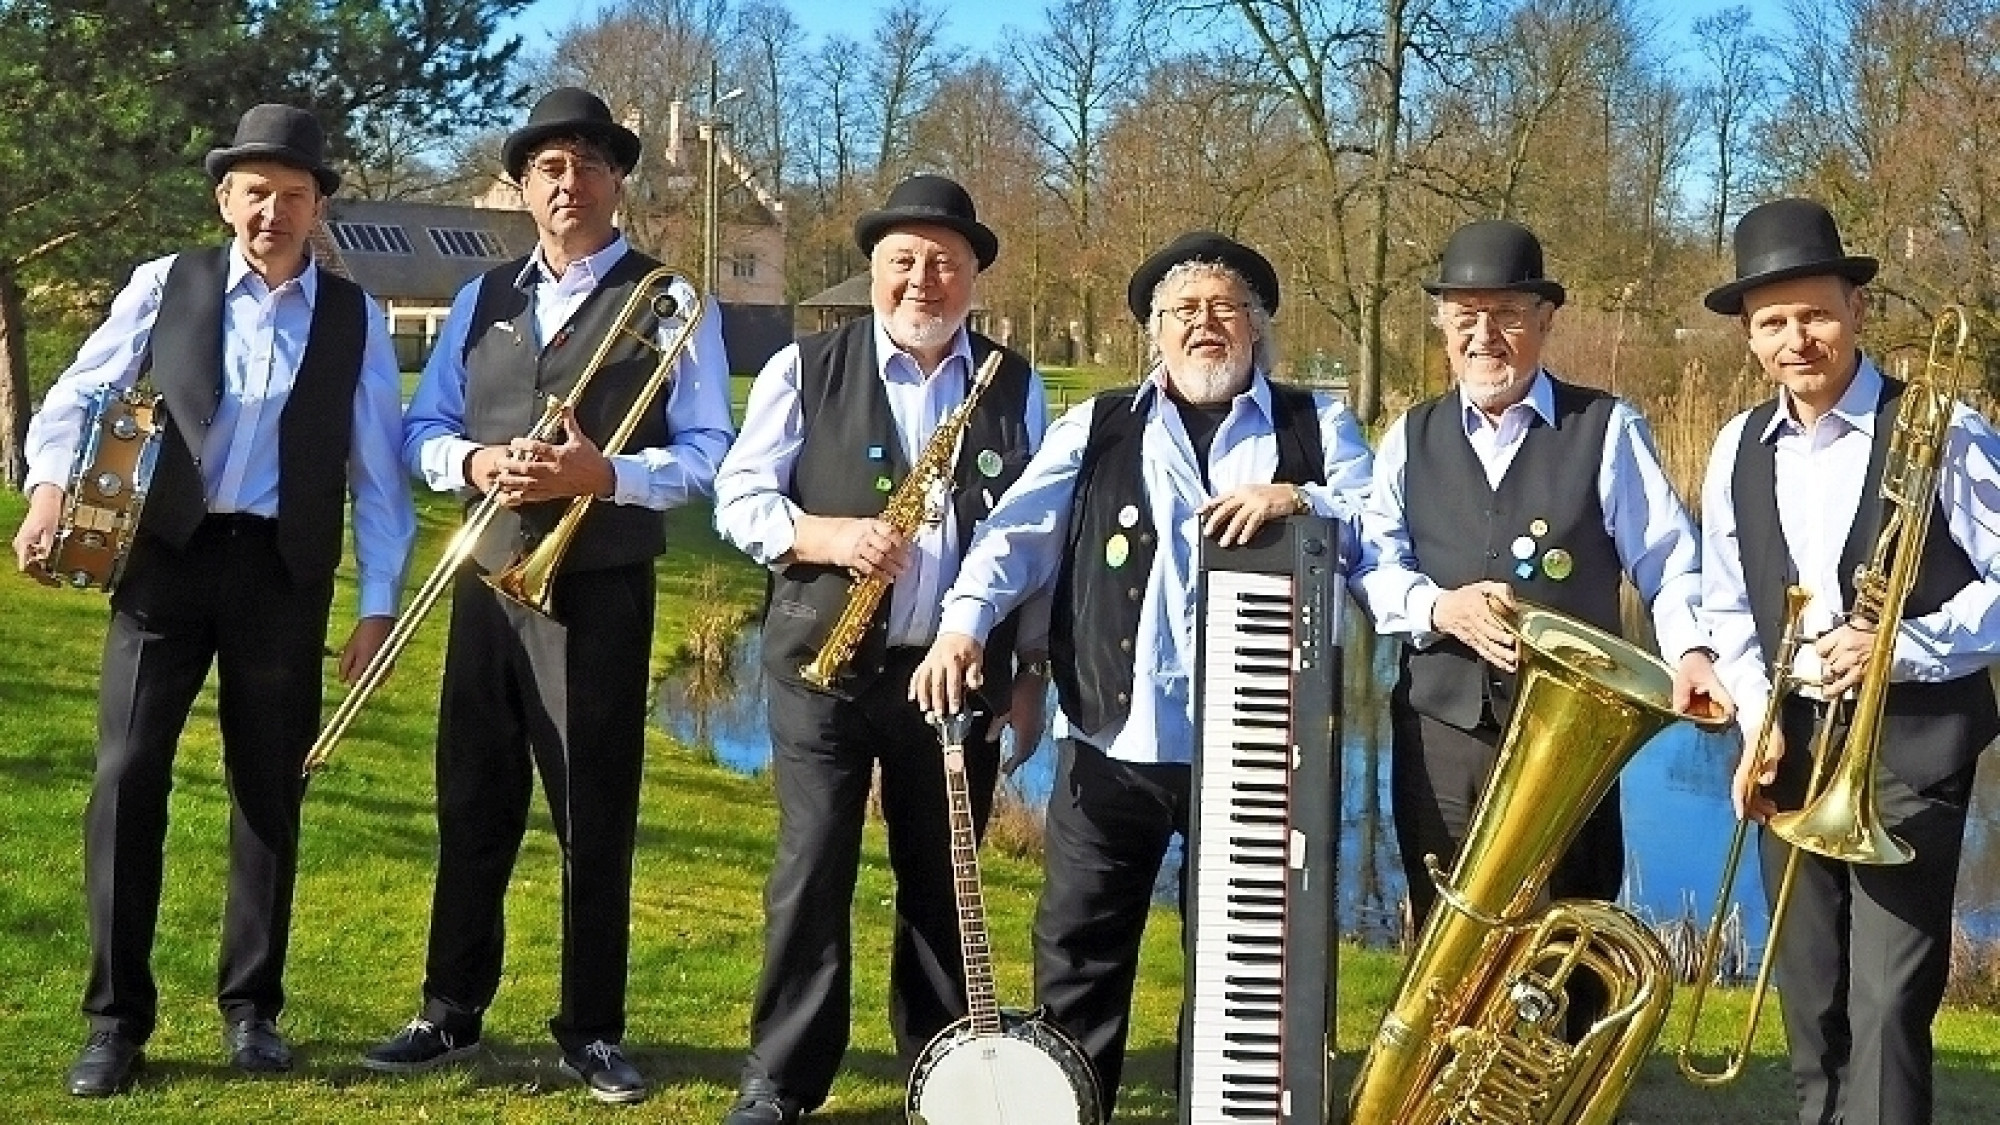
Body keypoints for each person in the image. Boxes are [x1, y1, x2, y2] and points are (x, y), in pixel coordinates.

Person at [909, 231, 1374, 1115]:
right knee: (1078, 955)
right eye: (1183, 311)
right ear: (1153, 334)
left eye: (1225, 308)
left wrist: (1303, 500)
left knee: (1249, 973)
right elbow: (1014, 535)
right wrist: (963, 625)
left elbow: (1380, 532)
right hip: (1113, 741)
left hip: (1263, 759)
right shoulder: (1098, 424)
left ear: (1258, 328)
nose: (1205, 324)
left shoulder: (1318, 426)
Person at [9, 103, 416, 1097]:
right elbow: (75, 392)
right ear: (224, 198)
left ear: (319, 205)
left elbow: (378, 470)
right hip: (165, 563)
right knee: (126, 778)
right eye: (253, 192)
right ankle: (114, 1025)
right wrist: (50, 490)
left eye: (291, 194)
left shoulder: (354, 316)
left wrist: (377, 603)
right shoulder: (168, 282)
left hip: (283, 573)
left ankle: (252, 1011)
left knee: (267, 793)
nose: (270, 211)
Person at [358, 87, 734, 1105]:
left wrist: (602, 478)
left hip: (600, 591)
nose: (568, 183)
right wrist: (475, 463)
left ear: (617, 180)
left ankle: (592, 1030)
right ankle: (448, 1010)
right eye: (548, 168)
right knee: (470, 800)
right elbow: (419, 429)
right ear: (522, 188)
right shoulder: (482, 299)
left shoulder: (670, 299)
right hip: (490, 580)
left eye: (588, 165)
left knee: (593, 813)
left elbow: (708, 453)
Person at [711, 174, 1049, 1125]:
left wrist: (1027, 671)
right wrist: (828, 538)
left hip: (954, 673)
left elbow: (1034, 546)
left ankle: (941, 1078)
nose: (922, 280)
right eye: (903, 260)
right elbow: (739, 500)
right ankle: (780, 1080)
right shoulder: (802, 368)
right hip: (822, 664)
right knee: (812, 866)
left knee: (944, 880)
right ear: (873, 271)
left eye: (945, 262)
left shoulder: (1017, 387)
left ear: (974, 275)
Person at [1699, 197, 2000, 1125]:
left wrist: (1899, 645)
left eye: (1816, 313)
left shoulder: (1946, 430)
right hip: (1793, 747)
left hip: (1910, 746)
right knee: (1809, 998)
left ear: (1859, 310)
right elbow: (1729, 605)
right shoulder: (1733, 447)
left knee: (1886, 1003)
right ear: (1751, 337)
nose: (1798, 339)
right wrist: (1753, 724)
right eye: (1773, 322)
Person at [1350, 218, 1731, 935]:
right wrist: (1439, 608)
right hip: (1439, 732)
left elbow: (1672, 562)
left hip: (1570, 743)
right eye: (1465, 317)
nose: (1483, 336)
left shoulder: (1609, 428)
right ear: (1442, 325)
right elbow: (1372, 566)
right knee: (1445, 938)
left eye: (1506, 315)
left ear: (1546, 320)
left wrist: (1691, 652)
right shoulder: (1409, 434)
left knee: (1566, 941)